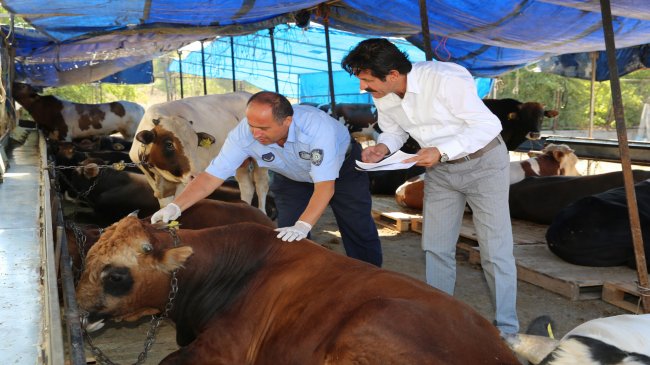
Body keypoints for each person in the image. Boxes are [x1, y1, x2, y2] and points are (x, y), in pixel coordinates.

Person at [341, 38, 519, 335]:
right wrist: (382, 148)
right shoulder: (383, 94)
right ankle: (439, 320)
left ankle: (508, 330)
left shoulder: (445, 80)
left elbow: (488, 126)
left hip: (484, 163)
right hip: (439, 169)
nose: (363, 88)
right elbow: (395, 131)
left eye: (367, 81)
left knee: (494, 250)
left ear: (393, 74)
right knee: (435, 247)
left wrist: (442, 150)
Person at [150, 91, 383, 267]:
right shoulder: (244, 133)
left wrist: (305, 224)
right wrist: (175, 207)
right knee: (289, 235)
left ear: (287, 122)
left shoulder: (317, 129)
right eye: (251, 125)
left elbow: (325, 187)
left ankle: (371, 279)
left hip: (342, 172)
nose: (255, 134)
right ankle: (301, 283)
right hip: (291, 177)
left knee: (357, 227)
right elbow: (211, 176)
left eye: (263, 128)